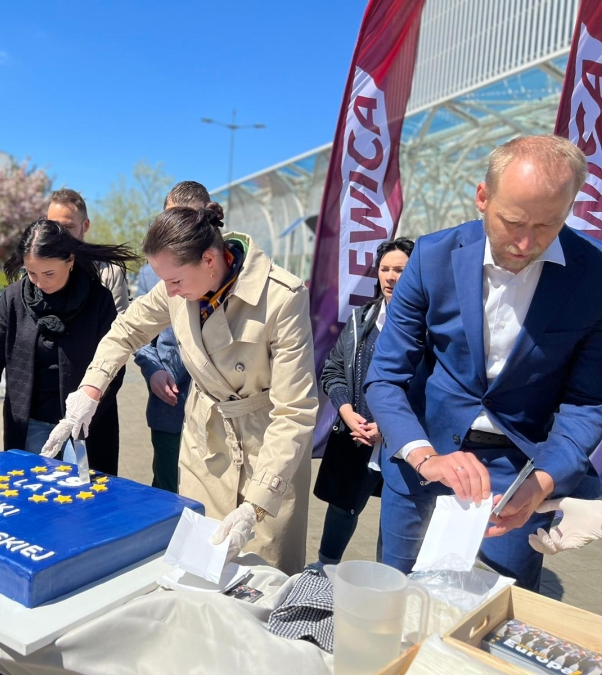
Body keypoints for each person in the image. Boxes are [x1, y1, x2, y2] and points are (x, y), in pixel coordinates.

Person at [365, 135, 602, 590]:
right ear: (482, 197)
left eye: (548, 225)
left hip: (519, 471)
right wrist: (423, 456)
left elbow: (588, 401)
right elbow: (386, 376)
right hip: (425, 456)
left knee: (503, 603)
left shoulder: (593, 276)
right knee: (394, 593)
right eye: (512, 222)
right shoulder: (432, 258)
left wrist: (546, 479)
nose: (526, 243)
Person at [42, 206, 318, 574]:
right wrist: (90, 391)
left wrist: (256, 505)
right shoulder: (176, 286)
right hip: (206, 440)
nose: (170, 292)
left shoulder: (283, 297)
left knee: (263, 574)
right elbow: (126, 330)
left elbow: (294, 411)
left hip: (269, 447)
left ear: (209, 260)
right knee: (197, 565)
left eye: (175, 281)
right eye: (165, 282)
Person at [0, 219, 136, 474]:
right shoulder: (13, 299)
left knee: (83, 495)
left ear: (70, 261)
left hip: (85, 425)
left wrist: (84, 413)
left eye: (49, 274)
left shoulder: (98, 299)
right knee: (31, 493)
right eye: (31, 273)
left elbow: (114, 365)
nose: (40, 283)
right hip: (30, 424)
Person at [312, 238, 414, 566]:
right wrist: (347, 412)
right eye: (385, 269)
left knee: (398, 517)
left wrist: (390, 428)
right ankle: (324, 571)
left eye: (400, 269)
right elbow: (333, 370)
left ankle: (390, 581)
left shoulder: (430, 326)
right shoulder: (361, 320)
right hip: (355, 437)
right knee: (343, 508)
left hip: (405, 445)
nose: (390, 277)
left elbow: (431, 389)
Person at [133, 181, 210, 492]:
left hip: (216, 417)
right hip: (170, 404)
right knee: (166, 491)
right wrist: (153, 370)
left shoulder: (230, 272)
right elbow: (137, 333)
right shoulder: (150, 274)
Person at [47, 188, 130, 311]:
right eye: (52, 226)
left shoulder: (109, 273)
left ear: (85, 225)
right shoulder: (35, 269)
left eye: (68, 227)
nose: (59, 233)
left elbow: (120, 322)